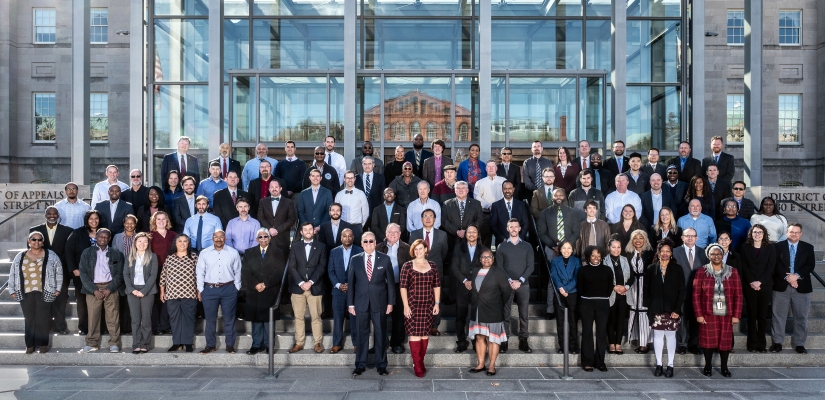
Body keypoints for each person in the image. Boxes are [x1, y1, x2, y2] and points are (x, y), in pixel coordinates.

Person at [6, 232, 63, 354]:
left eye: (39, 240)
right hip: (25, 292)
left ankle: (43, 344)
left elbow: (59, 272)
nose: (36, 242)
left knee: (43, 318)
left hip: (45, 291)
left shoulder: (51, 255)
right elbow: (13, 274)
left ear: (43, 241)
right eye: (33, 239)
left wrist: (58, 288)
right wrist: (12, 290)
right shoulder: (20, 256)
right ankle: (30, 345)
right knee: (29, 319)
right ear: (28, 241)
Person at [348, 232, 395, 376]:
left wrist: (390, 303)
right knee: (362, 334)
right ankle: (360, 364)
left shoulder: (385, 259)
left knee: (380, 333)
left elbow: (391, 284)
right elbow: (351, 283)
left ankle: (381, 365)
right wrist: (350, 304)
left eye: (371, 241)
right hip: (360, 303)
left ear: (375, 243)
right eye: (365, 241)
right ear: (361, 244)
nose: (368, 244)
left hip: (379, 302)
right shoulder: (355, 259)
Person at [694, 243, 743, 377]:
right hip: (708, 313)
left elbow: (738, 295)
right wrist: (699, 314)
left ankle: (724, 367)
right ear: (708, 256)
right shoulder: (701, 271)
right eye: (713, 254)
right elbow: (696, 295)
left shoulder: (733, 272)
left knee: (725, 342)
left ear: (723, 255)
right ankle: (708, 365)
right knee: (708, 341)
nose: (716, 256)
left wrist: (736, 315)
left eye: (719, 254)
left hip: (727, 314)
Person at [771, 223, 816, 354]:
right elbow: (775, 264)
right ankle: (777, 342)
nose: (794, 234)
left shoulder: (808, 247)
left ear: (801, 234)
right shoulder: (777, 247)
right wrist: (788, 278)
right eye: (791, 232)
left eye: (797, 232)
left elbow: (810, 265)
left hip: (801, 287)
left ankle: (800, 344)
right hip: (781, 286)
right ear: (787, 232)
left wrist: (796, 276)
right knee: (778, 316)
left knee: (801, 316)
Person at [399, 238, 440, 378]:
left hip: (428, 305)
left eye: (420, 248)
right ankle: (416, 364)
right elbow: (403, 287)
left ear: (426, 250)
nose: (418, 251)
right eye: (415, 249)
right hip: (413, 305)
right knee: (414, 335)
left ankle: (421, 361)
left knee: (424, 335)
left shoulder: (433, 266)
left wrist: (437, 303)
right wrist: (405, 305)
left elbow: (436, 286)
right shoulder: (407, 266)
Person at [78, 228, 124, 353]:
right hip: (93, 288)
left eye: (106, 237)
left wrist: (109, 289)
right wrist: (94, 290)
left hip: (110, 287)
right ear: (96, 237)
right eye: (100, 236)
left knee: (113, 317)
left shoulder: (116, 254)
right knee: (93, 317)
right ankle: (92, 343)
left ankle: (114, 343)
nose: (103, 239)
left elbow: (120, 274)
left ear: (109, 239)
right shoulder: (87, 253)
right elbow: (83, 273)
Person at [242, 228, 286, 355]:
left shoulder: (278, 252)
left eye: (265, 236)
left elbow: (278, 271)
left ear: (270, 238)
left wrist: (265, 284)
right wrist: (255, 284)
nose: (263, 239)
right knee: (255, 320)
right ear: (257, 239)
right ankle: (256, 345)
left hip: (269, 290)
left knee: (268, 319)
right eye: (260, 237)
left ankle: (269, 345)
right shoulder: (249, 252)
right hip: (253, 291)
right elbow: (245, 271)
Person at [196, 230, 242, 354]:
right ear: (212, 238)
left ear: (225, 238)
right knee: (210, 319)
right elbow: (200, 272)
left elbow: (237, 271)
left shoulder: (233, 252)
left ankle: (230, 345)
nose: (218, 239)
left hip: (229, 289)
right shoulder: (205, 253)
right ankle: (210, 345)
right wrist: (201, 289)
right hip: (209, 290)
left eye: (221, 237)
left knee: (229, 318)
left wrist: (236, 287)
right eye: (216, 237)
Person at [645, 238, 685, 378]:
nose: (665, 253)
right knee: (657, 336)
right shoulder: (651, 268)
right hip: (656, 308)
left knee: (671, 336)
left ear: (671, 253)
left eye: (668, 251)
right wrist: (650, 307)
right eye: (663, 251)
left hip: (672, 309)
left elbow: (681, 290)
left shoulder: (677, 268)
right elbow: (646, 290)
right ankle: (659, 364)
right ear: (658, 252)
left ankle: (670, 365)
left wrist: (677, 309)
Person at [467, 249, 511, 376]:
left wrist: (497, 303)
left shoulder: (499, 272)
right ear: (480, 260)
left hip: (493, 310)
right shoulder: (475, 271)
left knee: (493, 339)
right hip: (477, 310)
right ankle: (480, 364)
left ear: (493, 259)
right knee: (479, 337)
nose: (486, 259)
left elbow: (506, 292)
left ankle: (491, 365)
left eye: (489, 257)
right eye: (483, 257)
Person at [29, 206, 73, 335]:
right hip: (41, 271)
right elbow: (31, 252)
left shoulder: (67, 231)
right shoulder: (35, 230)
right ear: (45, 215)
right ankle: (46, 325)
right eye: (49, 214)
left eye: (54, 214)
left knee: (60, 299)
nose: (52, 216)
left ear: (58, 215)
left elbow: (68, 252)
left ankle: (60, 326)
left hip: (62, 271)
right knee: (43, 300)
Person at [288, 222, 328, 353]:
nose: (308, 231)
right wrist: (301, 283)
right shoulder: (294, 246)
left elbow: (322, 267)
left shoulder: (321, 246)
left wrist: (310, 282)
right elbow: (291, 267)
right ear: (301, 232)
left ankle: (318, 343)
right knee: (298, 317)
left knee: (316, 316)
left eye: (310, 229)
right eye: (305, 230)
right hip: (297, 287)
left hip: (314, 287)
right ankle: (299, 342)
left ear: (313, 231)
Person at [496, 218, 534, 353]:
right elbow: (499, 267)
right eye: (510, 227)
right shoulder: (502, 247)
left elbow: (531, 266)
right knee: (505, 313)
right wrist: (510, 281)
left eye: (515, 227)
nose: (513, 229)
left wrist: (520, 280)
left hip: (523, 285)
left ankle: (523, 340)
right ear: (507, 229)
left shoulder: (527, 246)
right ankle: (504, 339)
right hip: (507, 285)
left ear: (519, 229)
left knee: (523, 313)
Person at [408, 209, 449, 336]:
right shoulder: (414, 234)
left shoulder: (442, 234)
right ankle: (420, 323)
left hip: (436, 270)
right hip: (418, 271)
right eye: (425, 216)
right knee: (419, 297)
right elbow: (411, 253)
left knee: (436, 298)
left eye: (431, 216)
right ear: (421, 219)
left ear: (435, 219)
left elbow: (444, 253)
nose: (428, 218)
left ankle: (434, 326)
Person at [738, 224, 774, 352]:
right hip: (750, 285)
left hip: (765, 285)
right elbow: (744, 266)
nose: (757, 234)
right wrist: (752, 282)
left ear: (764, 234)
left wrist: (760, 282)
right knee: (752, 315)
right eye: (755, 232)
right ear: (751, 234)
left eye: (760, 232)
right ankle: (752, 343)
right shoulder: (745, 247)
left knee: (762, 316)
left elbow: (771, 266)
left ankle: (761, 344)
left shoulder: (770, 247)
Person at [672, 227, 709, 354]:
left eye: (693, 236)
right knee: (681, 320)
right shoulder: (675, 252)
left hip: (699, 293)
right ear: (682, 237)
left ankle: (694, 344)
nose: (690, 238)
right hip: (681, 292)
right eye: (687, 236)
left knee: (695, 319)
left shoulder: (703, 253)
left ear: (697, 238)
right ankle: (682, 344)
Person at [159, 234, 198, 353]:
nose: (182, 243)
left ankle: (188, 343)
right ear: (175, 244)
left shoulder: (194, 257)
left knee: (188, 319)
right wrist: (162, 291)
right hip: (172, 294)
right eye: (179, 241)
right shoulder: (170, 258)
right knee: (174, 319)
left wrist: (199, 291)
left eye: (185, 241)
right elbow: (163, 275)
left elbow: (199, 276)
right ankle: (177, 343)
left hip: (189, 293)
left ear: (188, 243)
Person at [66, 210, 102, 336]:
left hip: (100, 274)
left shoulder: (104, 232)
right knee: (82, 300)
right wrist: (74, 269)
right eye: (91, 218)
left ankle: (99, 326)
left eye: (96, 218)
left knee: (99, 299)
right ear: (86, 220)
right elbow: (69, 251)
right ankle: (83, 326)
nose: (94, 221)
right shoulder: (78, 233)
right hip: (81, 273)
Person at [450, 225, 486, 353]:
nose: (471, 234)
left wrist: (474, 281)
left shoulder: (484, 249)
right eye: (469, 232)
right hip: (462, 285)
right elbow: (454, 267)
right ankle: (461, 342)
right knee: (460, 315)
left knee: (477, 315)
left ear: (478, 234)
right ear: (465, 235)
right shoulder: (458, 248)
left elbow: (487, 268)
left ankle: (477, 341)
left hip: (479, 286)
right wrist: (465, 281)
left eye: (474, 232)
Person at [377, 223, 411, 354]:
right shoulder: (378, 247)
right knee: (380, 316)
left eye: (395, 232)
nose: (392, 234)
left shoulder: (407, 248)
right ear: (386, 234)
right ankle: (380, 343)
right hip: (381, 286)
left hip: (400, 286)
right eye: (390, 232)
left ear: (400, 234)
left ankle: (397, 343)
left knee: (398, 316)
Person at [578, 246, 613, 372]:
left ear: (602, 257)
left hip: (602, 304)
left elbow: (610, 287)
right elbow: (580, 288)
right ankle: (587, 362)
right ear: (588, 257)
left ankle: (600, 361)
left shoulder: (607, 270)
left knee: (601, 333)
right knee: (587, 332)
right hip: (586, 303)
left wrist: (601, 298)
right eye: (593, 255)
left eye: (598, 255)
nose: (596, 258)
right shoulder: (583, 270)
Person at [123, 232, 158, 353]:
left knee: (146, 319)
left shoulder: (153, 257)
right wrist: (132, 290)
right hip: (132, 291)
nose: (142, 244)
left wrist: (143, 291)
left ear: (148, 243)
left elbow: (153, 276)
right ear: (135, 243)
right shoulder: (129, 257)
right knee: (135, 319)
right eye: (139, 241)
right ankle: (136, 344)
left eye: (145, 241)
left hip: (147, 290)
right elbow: (126, 275)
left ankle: (145, 344)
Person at [328, 228, 361, 354]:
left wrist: (352, 285)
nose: (347, 238)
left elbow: (361, 272)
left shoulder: (360, 251)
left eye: (350, 236)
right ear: (341, 238)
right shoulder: (333, 252)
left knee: (354, 318)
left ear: (353, 237)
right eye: (345, 236)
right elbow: (330, 271)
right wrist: (338, 285)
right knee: (338, 318)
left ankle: (356, 344)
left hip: (354, 291)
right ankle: (336, 344)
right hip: (338, 291)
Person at [625, 229, 655, 354]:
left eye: (641, 238)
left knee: (644, 313)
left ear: (645, 239)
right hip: (632, 285)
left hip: (646, 285)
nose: (638, 240)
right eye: (635, 238)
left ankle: (645, 344)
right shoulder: (628, 253)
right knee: (634, 312)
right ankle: (636, 340)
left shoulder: (650, 253)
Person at [550, 241, 580, 354]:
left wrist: (566, 289)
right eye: (564, 248)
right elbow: (554, 275)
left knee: (572, 321)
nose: (566, 250)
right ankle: (562, 346)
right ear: (560, 249)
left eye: (569, 248)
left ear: (572, 250)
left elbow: (577, 277)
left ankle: (573, 346)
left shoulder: (576, 261)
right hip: (559, 293)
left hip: (572, 293)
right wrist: (561, 288)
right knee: (560, 321)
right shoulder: (554, 261)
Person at [149, 211, 176, 335]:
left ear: (167, 221)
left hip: (171, 270)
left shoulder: (173, 235)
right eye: (158, 219)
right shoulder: (149, 236)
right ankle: (155, 326)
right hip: (155, 269)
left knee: (167, 298)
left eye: (163, 219)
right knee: (155, 298)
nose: (161, 221)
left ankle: (165, 325)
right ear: (154, 221)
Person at [112, 214, 139, 334]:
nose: (129, 225)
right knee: (121, 301)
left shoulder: (139, 237)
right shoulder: (117, 237)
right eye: (127, 223)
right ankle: (122, 326)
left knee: (132, 301)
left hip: (135, 273)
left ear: (135, 224)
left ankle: (131, 327)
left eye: (132, 223)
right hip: (120, 272)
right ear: (123, 224)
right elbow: (113, 255)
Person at [258, 179, 298, 256]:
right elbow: (260, 217)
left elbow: (292, 219)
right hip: (266, 238)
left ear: (280, 188)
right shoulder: (262, 202)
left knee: (282, 263)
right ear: (269, 189)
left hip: (282, 238)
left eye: (276, 187)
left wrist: (277, 230)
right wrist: (269, 229)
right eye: (272, 187)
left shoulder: (288, 202)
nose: (274, 189)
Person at [442, 181, 484, 254]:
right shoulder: (447, 204)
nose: (460, 190)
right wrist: (456, 231)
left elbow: (479, 219)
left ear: (467, 190)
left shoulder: (476, 204)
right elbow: (444, 221)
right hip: (453, 239)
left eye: (463, 188)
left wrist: (468, 231)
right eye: (458, 188)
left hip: (471, 238)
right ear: (455, 190)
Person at [605, 239, 630, 355]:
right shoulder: (604, 260)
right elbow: (603, 278)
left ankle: (618, 344)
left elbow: (632, 276)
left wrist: (626, 287)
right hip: (611, 294)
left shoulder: (625, 260)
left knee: (620, 320)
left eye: (618, 247)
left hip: (624, 295)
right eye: (613, 247)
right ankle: (611, 344)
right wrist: (614, 287)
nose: (616, 249)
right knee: (611, 320)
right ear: (609, 248)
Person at [474, 160, 507, 247]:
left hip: (501, 213)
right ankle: (485, 258)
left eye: (493, 166)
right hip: (485, 213)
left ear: (496, 168)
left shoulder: (503, 181)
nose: (491, 168)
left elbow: (507, 195)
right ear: (486, 169)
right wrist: (488, 205)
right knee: (485, 239)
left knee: (502, 239)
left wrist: (497, 206)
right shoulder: (480, 182)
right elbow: (476, 197)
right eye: (489, 166)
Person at [490, 180, 529, 245]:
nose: (507, 191)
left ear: (513, 189)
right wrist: (502, 239)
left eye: (510, 188)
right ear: (502, 190)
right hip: (502, 242)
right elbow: (493, 225)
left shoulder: (521, 205)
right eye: (505, 189)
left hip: (519, 242)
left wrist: (520, 238)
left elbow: (526, 223)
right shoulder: (496, 206)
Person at [335, 170, 370, 241]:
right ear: (344, 179)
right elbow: (336, 211)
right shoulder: (339, 195)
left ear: (355, 179)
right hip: (342, 227)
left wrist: (360, 225)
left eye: (351, 178)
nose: (350, 180)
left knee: (357, 250)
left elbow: (365, 212)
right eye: (348, 178)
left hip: (356, 227)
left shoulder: (361, 194)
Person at [354, 156, 387, 225]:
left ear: (373, 165)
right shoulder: (356, 178)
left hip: (376, 211)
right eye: (365, 164)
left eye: (369, 164)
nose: (367, 166)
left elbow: (382, 195)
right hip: (360, 212)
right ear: (362, 165)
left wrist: (382, 211)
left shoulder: (381, 177)